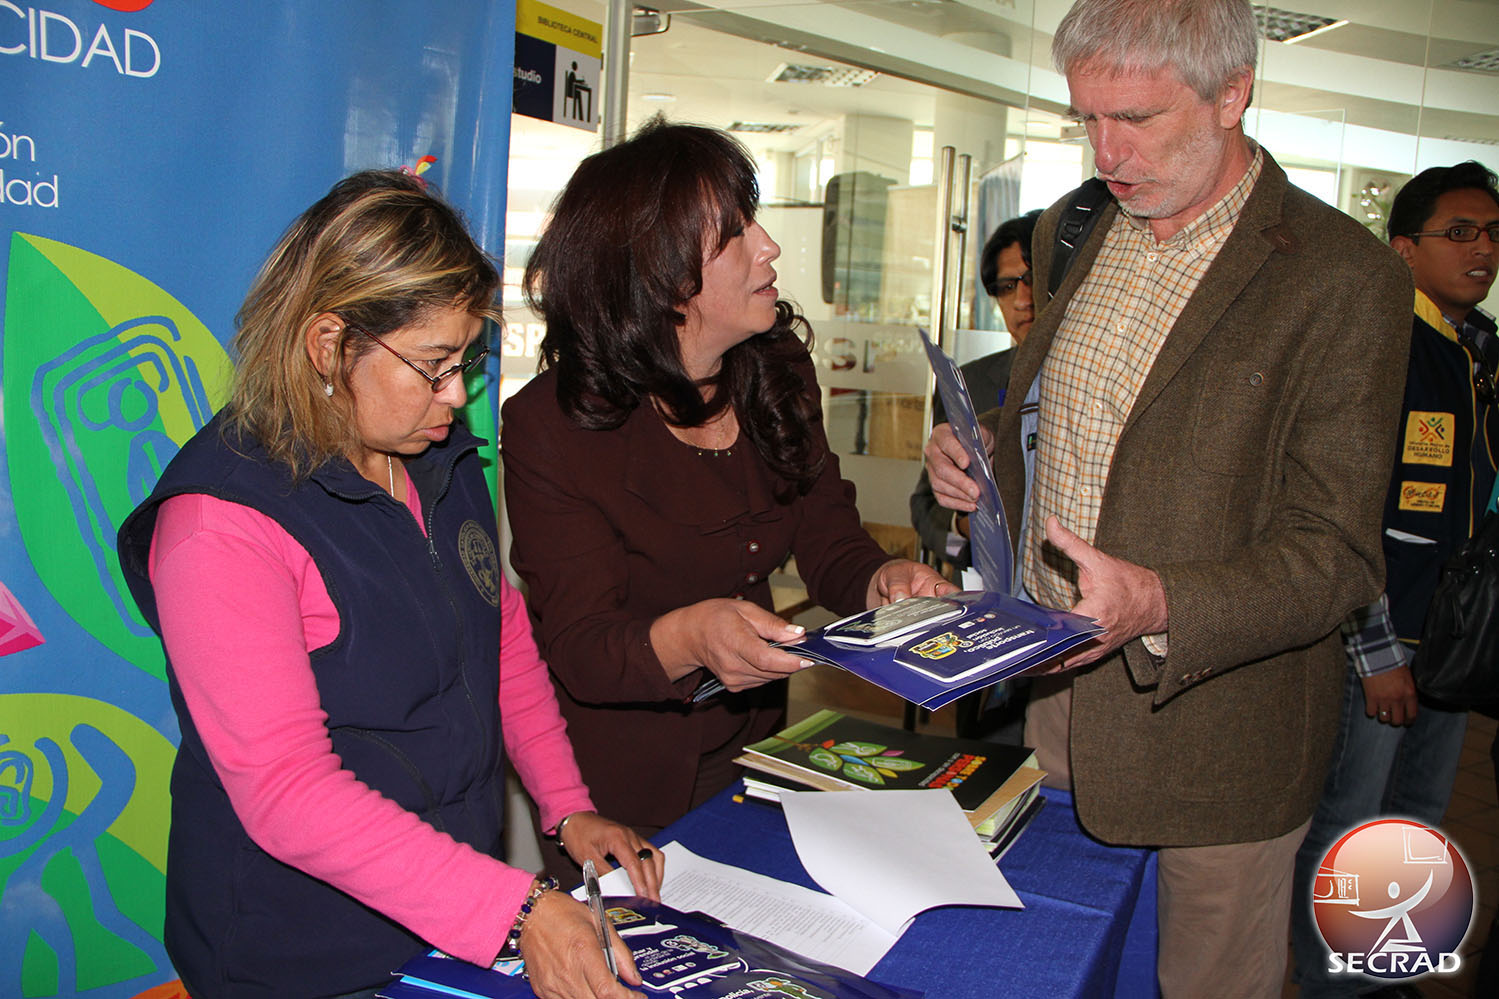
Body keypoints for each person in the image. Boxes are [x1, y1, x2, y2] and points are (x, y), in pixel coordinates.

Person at [921, 1, 1411, 995]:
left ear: (1231, 95)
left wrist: (1158, 603)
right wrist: (965, 472)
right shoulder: (1077, 227)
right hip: (1056, 693)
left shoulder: (1340, 278)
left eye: (1135, 119)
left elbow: (1335, 550)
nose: (1105, 151)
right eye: (1084, 119)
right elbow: (1044, 422)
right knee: (1056, 963)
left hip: (1220, 726)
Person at [116, 171, 663, 999]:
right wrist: (517, 907)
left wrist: (565, 803)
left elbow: (499, 633)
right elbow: (285, 790)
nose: (457, 395)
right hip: (297, 949)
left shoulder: (435, 450)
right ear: (329, 344)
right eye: (434, 365)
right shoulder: (218, 524)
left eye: (465, 361)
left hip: (443, 913)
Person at [501, 120, 952, 880]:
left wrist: (883, 583)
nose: (769, 245)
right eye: (735, 233)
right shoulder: (552, 425)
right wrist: (690, 634)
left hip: (755, 749)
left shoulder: (775, 367)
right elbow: (580, 645)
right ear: (661, 274)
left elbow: (828, 535)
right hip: (616, 790)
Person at [1290, 161, 1498, 998]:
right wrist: (1376, 654)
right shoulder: (1380, 345)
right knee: (1350, 823)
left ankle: (1384, 971)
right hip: (1378, 640)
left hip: (1449, 642)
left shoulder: (1478, 352)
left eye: (1491, 233)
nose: (1481, 250)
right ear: (1403, 248)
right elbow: (1348, 513)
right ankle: (1330, 984)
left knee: (1416, 824)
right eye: (1459, 233)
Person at [910, 210, 1041, 572]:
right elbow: (926, 508)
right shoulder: (968, 384)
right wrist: (966, 528)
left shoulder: (1097, 384)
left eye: (1031, 280)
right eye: (1007, 286)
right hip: (987, 594)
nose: (1021, 301)